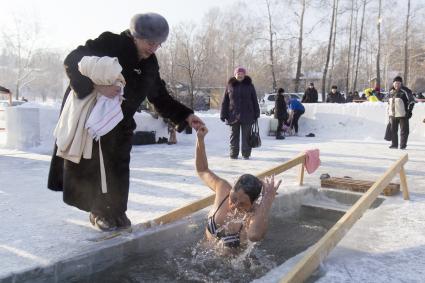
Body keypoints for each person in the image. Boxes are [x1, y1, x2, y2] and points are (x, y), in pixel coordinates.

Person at [47, 13, 204, 231]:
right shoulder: (111, 43)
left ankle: (117, 212)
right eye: (150, 42)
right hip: (94, 119)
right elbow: (72, 61)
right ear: (135, 35)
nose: (154, 48)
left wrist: (185, 115)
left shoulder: (150, 63)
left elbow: (159, 95)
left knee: (119, 167)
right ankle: (99, 212)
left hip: (120, 122)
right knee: (98, 167)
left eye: (159, 44)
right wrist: (96, 86)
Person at [195, 125, 281, 249]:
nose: (234, 206)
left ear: (253, 203)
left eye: (242, 204)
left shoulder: (255, 214)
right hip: (201, 256)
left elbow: (254, 236)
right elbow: (202, 170)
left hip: (231, 267)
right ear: (232, 189)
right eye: (234, 198)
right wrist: (200, 139)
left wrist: (267, 199)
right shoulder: (223, 189)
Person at [220, 67, 260, 160]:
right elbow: (225, 101)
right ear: (235, 75)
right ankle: (233, 154)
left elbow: (254, 100)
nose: (240, 75)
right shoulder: (230, 85)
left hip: (248, 115)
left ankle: (246, 154)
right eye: (238, 73)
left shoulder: (250, 85)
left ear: (244, 75)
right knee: (234, 136)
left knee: (246, 136)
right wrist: (223, 114)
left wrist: (257, 113)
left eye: (241, 73)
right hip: (232, 115)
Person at [387, 76, 415, 149]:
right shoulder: (391, 91)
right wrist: (389, 113)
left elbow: (411, 101)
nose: (397, 85)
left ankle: (403, 145)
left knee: (404, 131)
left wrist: (409, 111)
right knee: (393, 130)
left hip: (403, 115)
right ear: (393, 83)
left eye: (398, 83)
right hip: (393, 115)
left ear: (401, 83)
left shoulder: (406, 91)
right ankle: (394, 145)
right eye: (395, 83)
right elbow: (389, 103)